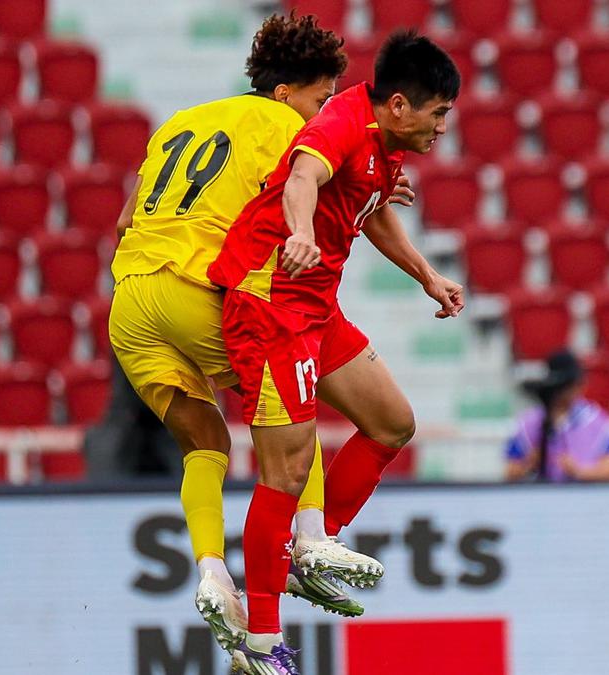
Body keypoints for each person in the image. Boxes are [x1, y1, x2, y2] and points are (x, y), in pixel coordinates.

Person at [108, 13, 384, 664]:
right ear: (288, 93)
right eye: (321, 98)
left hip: (129, 302)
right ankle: (311, 538)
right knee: (290, 395)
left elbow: (125, 220)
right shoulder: (287, 127)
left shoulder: (179, 122)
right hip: (189, 288)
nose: (323, 114)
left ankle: (212, 571)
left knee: (205, 442)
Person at [207, 30, 463, 672]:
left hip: (315, 308)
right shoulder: (341, 122)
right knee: (286, 474)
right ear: (401, 105)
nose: (441, 129)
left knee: (393, 423)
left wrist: (427, 276)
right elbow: (304, 176)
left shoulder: (381, 145)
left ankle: (309, 551)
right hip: (269, 304)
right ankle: (262, 644)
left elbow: (368, 206)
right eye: (438, 115)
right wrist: (297, 232)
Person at [505, 350, 609, 482]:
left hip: (584, 497)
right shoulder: (529, 423)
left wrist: (578, 471)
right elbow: (509, 472)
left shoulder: (598, 423)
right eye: (563, 387)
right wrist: (529, 464)